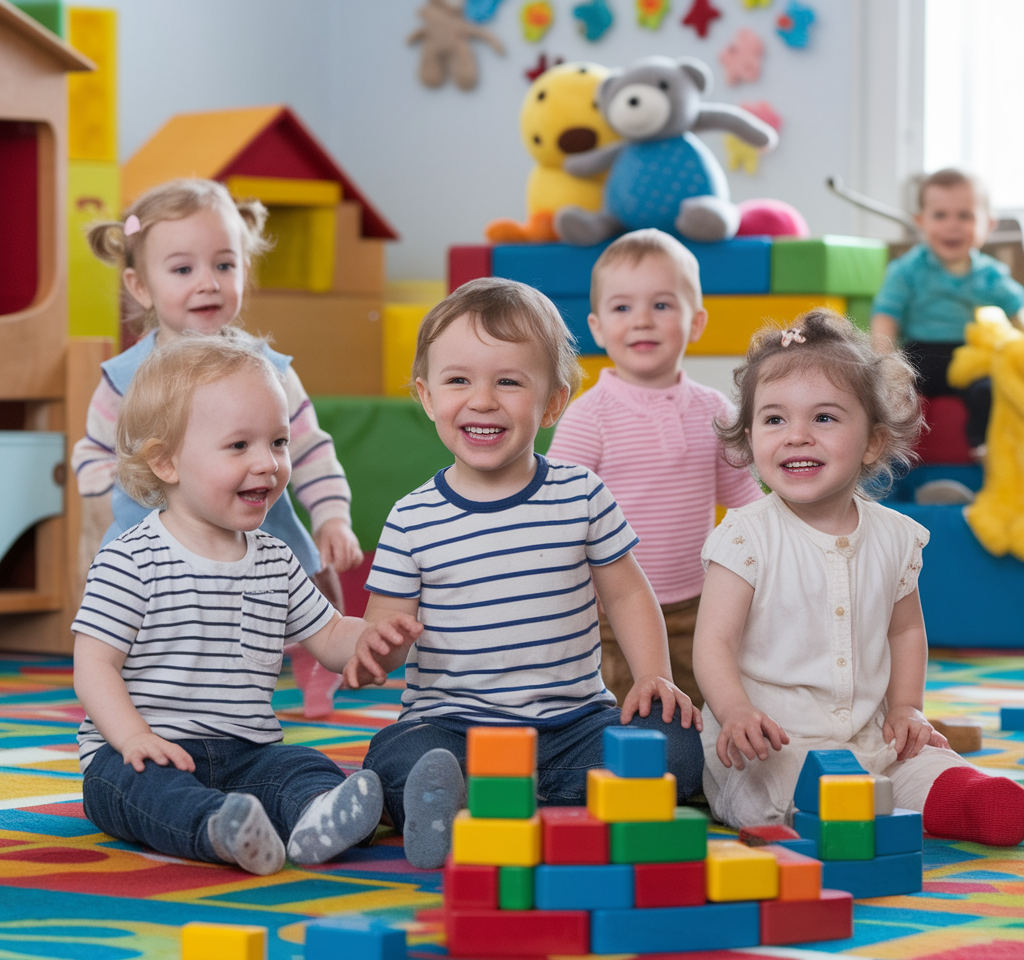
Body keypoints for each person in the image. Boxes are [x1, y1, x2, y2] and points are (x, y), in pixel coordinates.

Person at [340, 278, 705, 870]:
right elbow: (383, 625)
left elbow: (627, 594)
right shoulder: (411, 518)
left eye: (508, 382)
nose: (483, 401)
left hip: (571, 725)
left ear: (553, 403)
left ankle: (493, 805)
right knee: (395, 756)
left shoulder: (581, 494)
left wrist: (653, 676)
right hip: (452, 729)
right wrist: (377, 647)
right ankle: (489, 799)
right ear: (426, 396)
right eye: (458, 381)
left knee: (678, 746)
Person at [72, 335, 421, 875]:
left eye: (278, 442)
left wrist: (371, 639)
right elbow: (93, 666)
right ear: (165, 461)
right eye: (239, 446)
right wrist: (133, 737)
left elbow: (330, 637)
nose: (268, 463)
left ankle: (315, 817)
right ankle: (217, 827)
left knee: (302, 765)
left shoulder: (275, 558)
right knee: (134, 789)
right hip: (141, 753)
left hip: (246, 754)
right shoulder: (130, 559)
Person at [692, 308, 1024, 846]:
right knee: (785, 785)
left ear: (872, 441)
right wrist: (735, 712)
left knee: (919, 761)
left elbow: (905, 630)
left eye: (824, 418)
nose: (797, 436)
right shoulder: (746, 536)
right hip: (773, 741)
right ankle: (821, 820)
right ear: (750, 437)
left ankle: (963, 798)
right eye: (774, 420)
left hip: (873, 737)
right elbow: (714, 641)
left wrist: (907, 708)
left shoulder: (895, 536)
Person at [71, 178, 361, 717]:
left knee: (305, 592)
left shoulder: (269, 372)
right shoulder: (124, 378)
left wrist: (332, 517)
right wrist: (112, 488)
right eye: (183, 270)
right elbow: (92, 450)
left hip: (259, 526)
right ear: (140, 285)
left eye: (224, 265)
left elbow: (309, 448)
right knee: (148, 621)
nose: (207, 283)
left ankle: (315, 663)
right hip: (153, 535)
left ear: (244, 270)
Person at [546, 229, 763, 709]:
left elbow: (747, 502)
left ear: (696, 321)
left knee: (707, 712)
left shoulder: (715, 410)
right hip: (609, 613)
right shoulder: (589, 415)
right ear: (597, 327)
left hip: (701, 605)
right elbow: (557, 513)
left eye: (661, 305)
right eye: (622, 307)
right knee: (621, 715)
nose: (642, 320)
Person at [871, 168, 1024, 456]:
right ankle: (890, 452)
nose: (952, 226)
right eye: (940, 215)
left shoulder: (991, 275)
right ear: (921, 222)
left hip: (970, 357)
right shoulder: (906, 270)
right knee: (889, 392)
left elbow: (1018, 313)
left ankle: (984, 448)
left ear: (988, 225)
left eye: (965, 216)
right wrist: (885, 363)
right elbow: (886, 317)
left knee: (990, 389)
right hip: (920, 355)